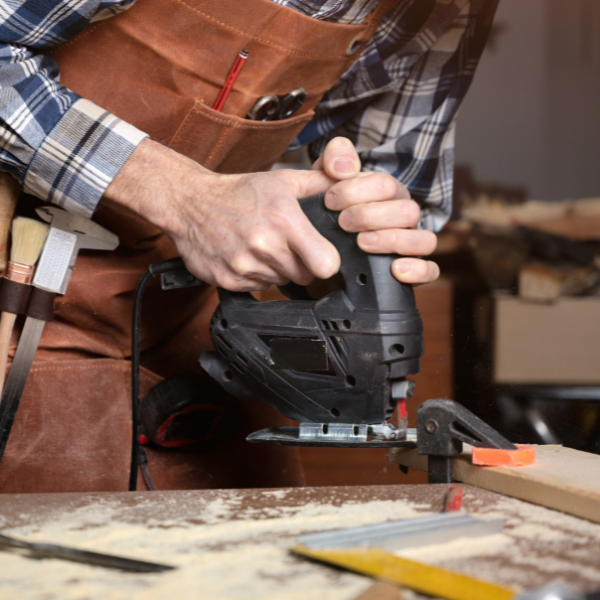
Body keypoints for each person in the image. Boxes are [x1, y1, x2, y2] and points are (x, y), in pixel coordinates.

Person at [0, 0, 498, 492]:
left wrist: (344, 254)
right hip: (18, 314)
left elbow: (394, 186)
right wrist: (186, 197)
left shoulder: (451, 10)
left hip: (189, 328)